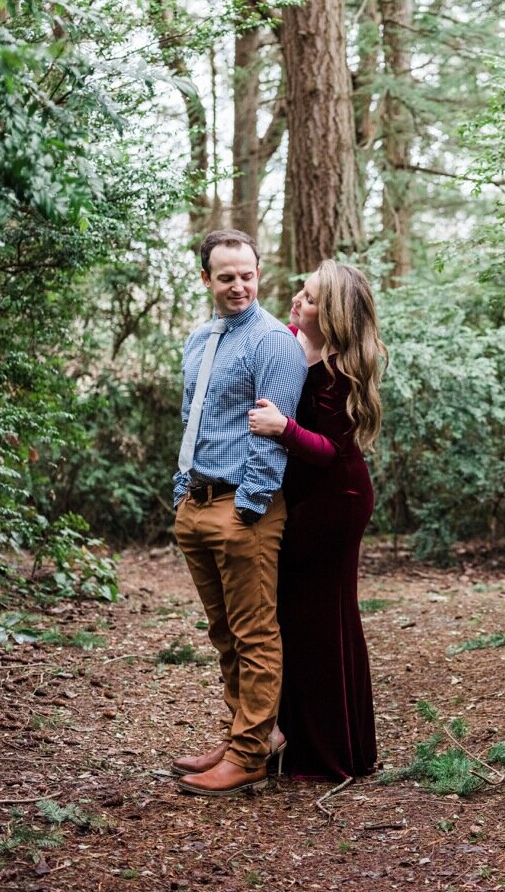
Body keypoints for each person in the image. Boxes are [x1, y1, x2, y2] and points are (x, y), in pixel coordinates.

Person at [169, 230, 306, 797]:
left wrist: (247, 507)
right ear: (207, 279)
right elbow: (192, 418)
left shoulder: (273, 341)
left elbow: (272, 436)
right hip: (196, 503)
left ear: (258, 273)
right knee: (223, 632)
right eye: (226, 277)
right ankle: (246, 733)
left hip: (242, 510)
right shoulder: (201, 337)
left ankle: (250, 755)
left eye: (247, 274)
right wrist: (183, 492)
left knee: (253, 634)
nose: (238, 286)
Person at [248, 259, 384, 780]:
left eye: (307, 298)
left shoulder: (338, 369)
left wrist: (283, 427)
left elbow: (329, 450)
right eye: (300, 293)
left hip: (336, 500)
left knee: (318, 621)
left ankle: (330, 752)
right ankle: (288, 735)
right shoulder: (291, 343)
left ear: (331, 316)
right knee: (301, 617)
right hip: (306, 499)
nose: (295, 301)